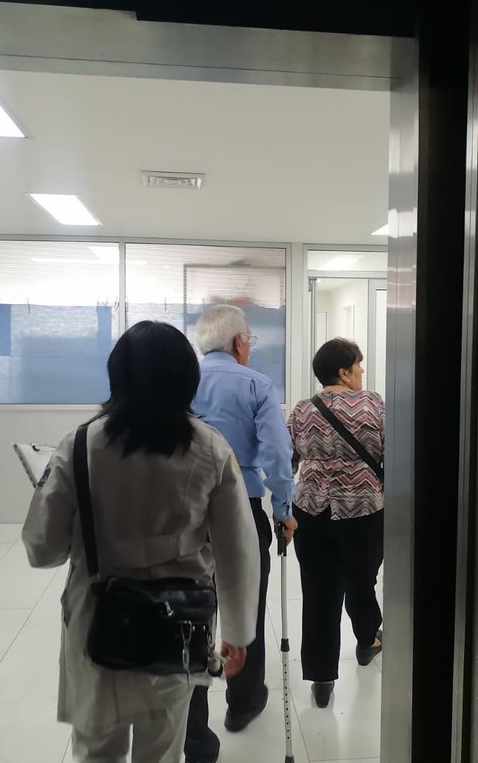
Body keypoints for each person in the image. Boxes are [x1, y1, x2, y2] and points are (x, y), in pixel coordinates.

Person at [22, 321, 260, 763]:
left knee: (97, 750)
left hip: (97, 619)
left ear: (117, 376)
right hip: (176, 625)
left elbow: (43, 549)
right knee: (163, 748)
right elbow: (238, 550)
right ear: (187, 379)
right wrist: (238, 631)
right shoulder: (211, 448)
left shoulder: (79, 444)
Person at [184, 304, 297, 762]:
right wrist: (284, 510)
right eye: (249, 339)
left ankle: (194, 725)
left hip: (187, 512)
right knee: (245, 604)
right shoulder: (257, 385)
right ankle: (243, 702)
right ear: (237, 343)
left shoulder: (181, 382)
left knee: (192, 609)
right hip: (243, 509)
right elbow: (277, 453)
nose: (250, 347)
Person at [287, 337, 385, 708]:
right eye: (358, 365)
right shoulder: (373, 403)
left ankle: (321, 677)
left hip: (311, 512)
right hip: (363, 510)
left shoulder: (302, 409)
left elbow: (287, 458)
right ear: (344, 372)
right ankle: (367, 639)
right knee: (362, 579)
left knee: (318, 591)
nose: (362, 371)